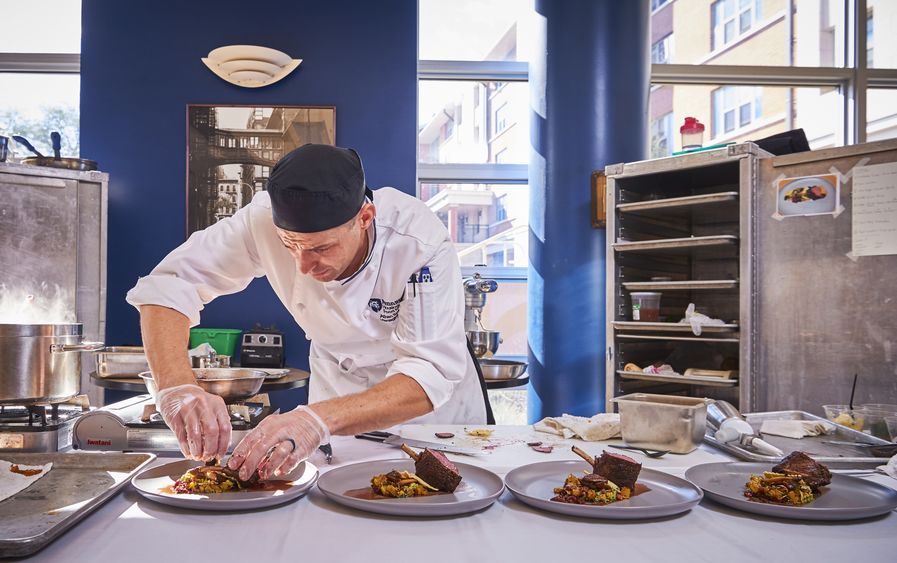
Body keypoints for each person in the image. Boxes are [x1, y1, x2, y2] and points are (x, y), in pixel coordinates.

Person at [126, 144, 487, 482]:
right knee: (335, 515)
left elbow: (430, 371)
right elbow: (169, 285)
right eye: (289, 246)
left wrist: (315, 420)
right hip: (337, 387)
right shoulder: (260, 221)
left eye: (322, 248)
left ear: (365, 217)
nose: (302, 265)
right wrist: (177, 387)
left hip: (428, 410)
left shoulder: (417, 241)